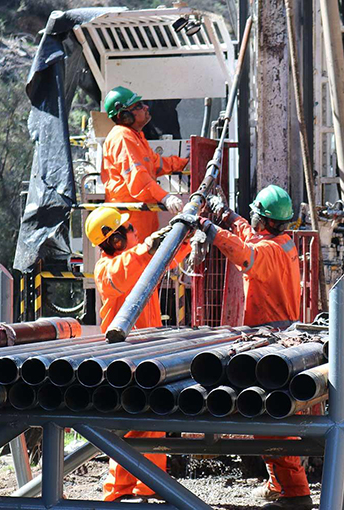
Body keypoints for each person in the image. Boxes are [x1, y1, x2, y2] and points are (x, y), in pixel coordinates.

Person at [197, 185, 313, 510]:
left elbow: (244, 253)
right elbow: (249, 236)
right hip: (275, 336)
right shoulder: (282, 243)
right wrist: (226, 215)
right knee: (268, 417)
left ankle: (297, 495)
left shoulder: (270, 253)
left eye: (253, 215)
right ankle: (280, 484)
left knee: (274, 426)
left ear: (263, 219)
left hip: (271, 342)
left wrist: (209, 228)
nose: (251, 220)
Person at [84, 206, 189, 502]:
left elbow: (168, 257)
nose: (134, 230)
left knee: (151, 428)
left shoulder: (139, 259)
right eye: (128, 229)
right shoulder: (108, 269)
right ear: (115, 240)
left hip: (147, 356)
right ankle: (116, 495)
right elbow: (126, 271)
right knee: (128, 431)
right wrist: (148, 246)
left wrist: (185, 234)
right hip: (124, 361)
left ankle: (150, 489)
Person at [101, 86, 188, 244]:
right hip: (128, 220)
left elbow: (157, 164)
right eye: (139, 106)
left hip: (140, 216)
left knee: (146, 264)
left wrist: (184, 164)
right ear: (125, 116)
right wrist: (165, 197)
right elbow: (138, 178)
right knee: (135, 265)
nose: (146, 107)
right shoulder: (122, 137)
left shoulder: (136, 136)